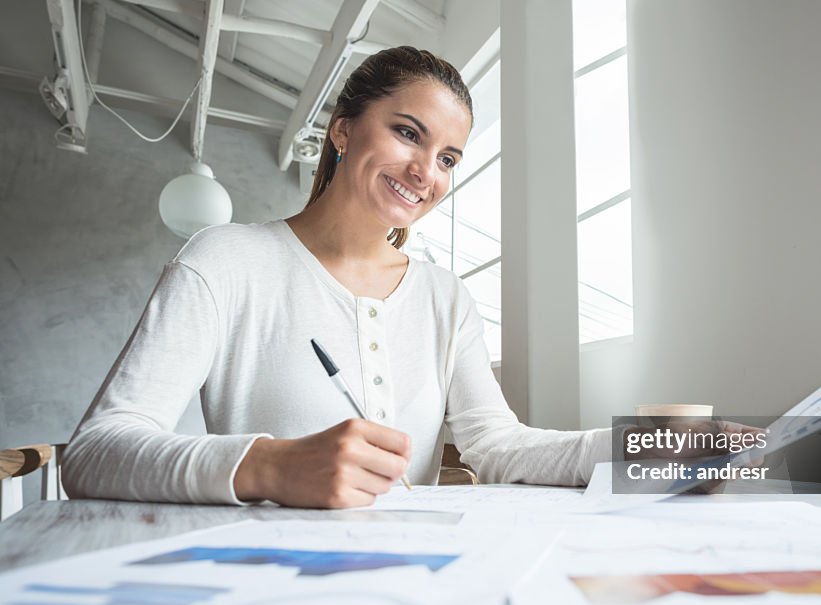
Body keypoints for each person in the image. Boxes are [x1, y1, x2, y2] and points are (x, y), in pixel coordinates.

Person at [63, 47, 612, 509]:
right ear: (343, 130)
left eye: (448, 159)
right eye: (406, 133)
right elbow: (95, 451)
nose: (426, 172)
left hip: (409, 587)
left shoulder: (445, 297)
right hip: (256, 584)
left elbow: (497, 445)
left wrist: (644, 450)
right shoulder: (223, 261)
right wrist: (269, 465)